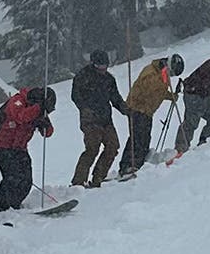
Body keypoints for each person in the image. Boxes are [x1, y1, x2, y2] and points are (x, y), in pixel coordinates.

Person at [0, 85, 54, 211]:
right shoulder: (18, 101)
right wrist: (39, 109)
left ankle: (15, 205)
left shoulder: (38, 109)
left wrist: (44, 123)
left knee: (26, 181)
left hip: (20, 148)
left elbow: (48, 133)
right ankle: (1, 209)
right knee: (11, 178)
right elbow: (20, 116)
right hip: (3, 146)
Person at [69, 50, 127, 189]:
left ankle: (98, 178)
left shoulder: (109, 79)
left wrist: (126, 109)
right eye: (99, 66)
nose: (103, 69)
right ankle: (78, 182)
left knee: (113, 147)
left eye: (105, 66)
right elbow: (75, 96)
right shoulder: (82, 76)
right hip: (90, 120)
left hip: (106, 119)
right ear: (93, 64)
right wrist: (85, 109)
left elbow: (115, 98)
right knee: (92, 149)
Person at [120, 54, 182, 178]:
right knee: (137, 138)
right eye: (172, 73)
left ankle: (138, 164)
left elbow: (159, 92)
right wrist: (165, 89)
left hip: (147, 111)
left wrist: (171, 96)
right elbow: (150, 90)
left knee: (144, 138)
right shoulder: (151, 72)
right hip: (137, 108)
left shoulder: (162, 73)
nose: (171, 76)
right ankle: (127, 166)